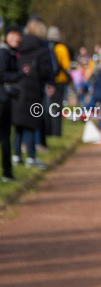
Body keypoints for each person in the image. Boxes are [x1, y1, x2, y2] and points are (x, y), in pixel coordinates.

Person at [11, 19, 53, 168]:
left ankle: (16, 155)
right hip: (34, 89)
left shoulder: (19, 47)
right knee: (31, 123)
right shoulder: (41, 49)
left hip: (18, 88)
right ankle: (31, 156)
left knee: (19, 124)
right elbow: (45, 71)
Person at [0, 25, 22, 182]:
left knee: (6, 136)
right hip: (2, 99)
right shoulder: (4, 52)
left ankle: (8, 172)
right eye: (13, 34)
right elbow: (3, 74)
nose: (17, 38)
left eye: (18, 35)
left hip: (5, 99)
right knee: (5, 136)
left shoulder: (10, 52)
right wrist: (20, 75)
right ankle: (7, 172)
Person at [46, 27, 72, 137]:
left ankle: (48, 132)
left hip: (48, 80)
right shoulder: (62, 48)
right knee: (57, 107)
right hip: (60, 80)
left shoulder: (45, 47)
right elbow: (66, 66)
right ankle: (56, 133)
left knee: (47, 107)